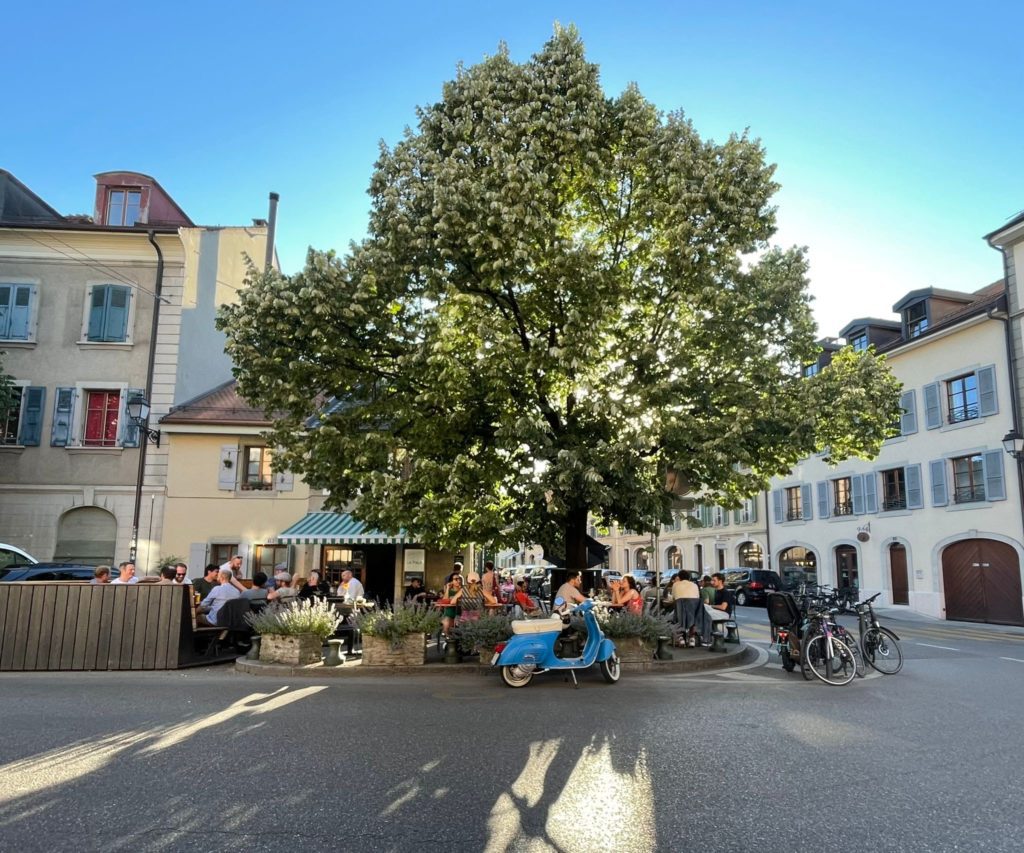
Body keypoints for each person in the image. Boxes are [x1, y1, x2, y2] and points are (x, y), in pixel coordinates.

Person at [672, 572, 703, 647]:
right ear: (689, 578)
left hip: (680, 610)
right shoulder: (695, 585)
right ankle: (692, 638)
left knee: (675, 617)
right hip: (693, 611)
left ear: (679, 577)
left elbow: (674, 598)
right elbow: (697, 598)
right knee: (692, 617)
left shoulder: (675, 585)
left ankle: (681, 638)